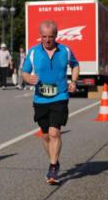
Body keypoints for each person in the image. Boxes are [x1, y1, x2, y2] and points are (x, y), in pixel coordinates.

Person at [21, 20, 79, 185]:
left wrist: (73, 81)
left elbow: (75, 65)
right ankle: (54, 160)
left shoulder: (65, 51)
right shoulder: (33, 52)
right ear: (40, 36)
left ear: (56, 35)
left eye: (51, 36)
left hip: (60, 97)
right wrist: (29, 78)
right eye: (44, 36)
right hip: (40, 99)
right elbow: (24, 72)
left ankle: (53, 167)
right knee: (45, 135)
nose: (47, 40)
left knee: (55, 133)